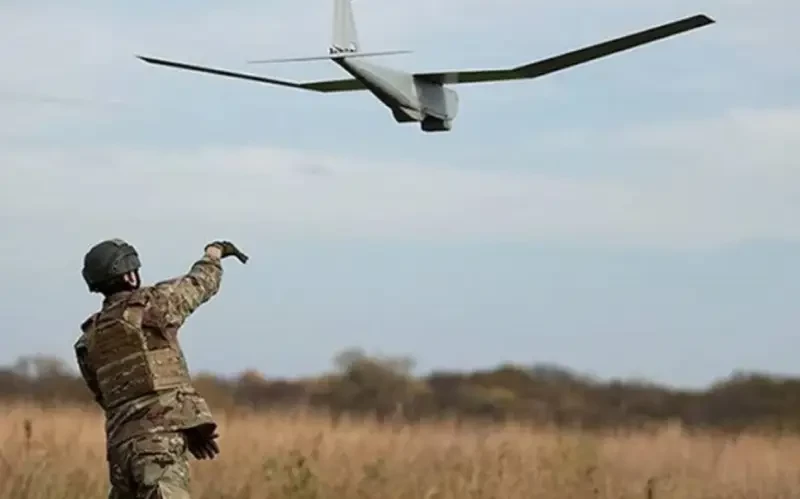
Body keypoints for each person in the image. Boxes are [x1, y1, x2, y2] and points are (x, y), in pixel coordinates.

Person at [74, 238, 248, 499]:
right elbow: (200, 283)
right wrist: (214, 253)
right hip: (158, 449)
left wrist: (185, 423)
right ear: (130, 275)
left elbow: (110, 398)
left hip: (121, 453)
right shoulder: (152, 306)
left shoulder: (89, 339)